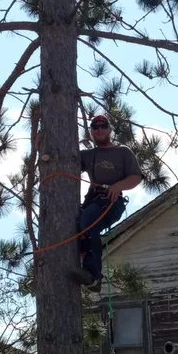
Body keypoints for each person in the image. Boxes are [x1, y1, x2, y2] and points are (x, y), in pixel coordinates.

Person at [69, 113, 142, 291]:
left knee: (87, 222)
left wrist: (118, 186)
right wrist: (40, 147)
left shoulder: (122, 152)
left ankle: (94, 275)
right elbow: (62, 159)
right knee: (81, 227)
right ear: (91, 132)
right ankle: (84, 268)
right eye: (95, 127)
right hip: (93, 199)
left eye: (103, 127)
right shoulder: (89, 155)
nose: (99, 130)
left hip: (112, 201)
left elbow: (136, 177)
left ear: (109, 130)